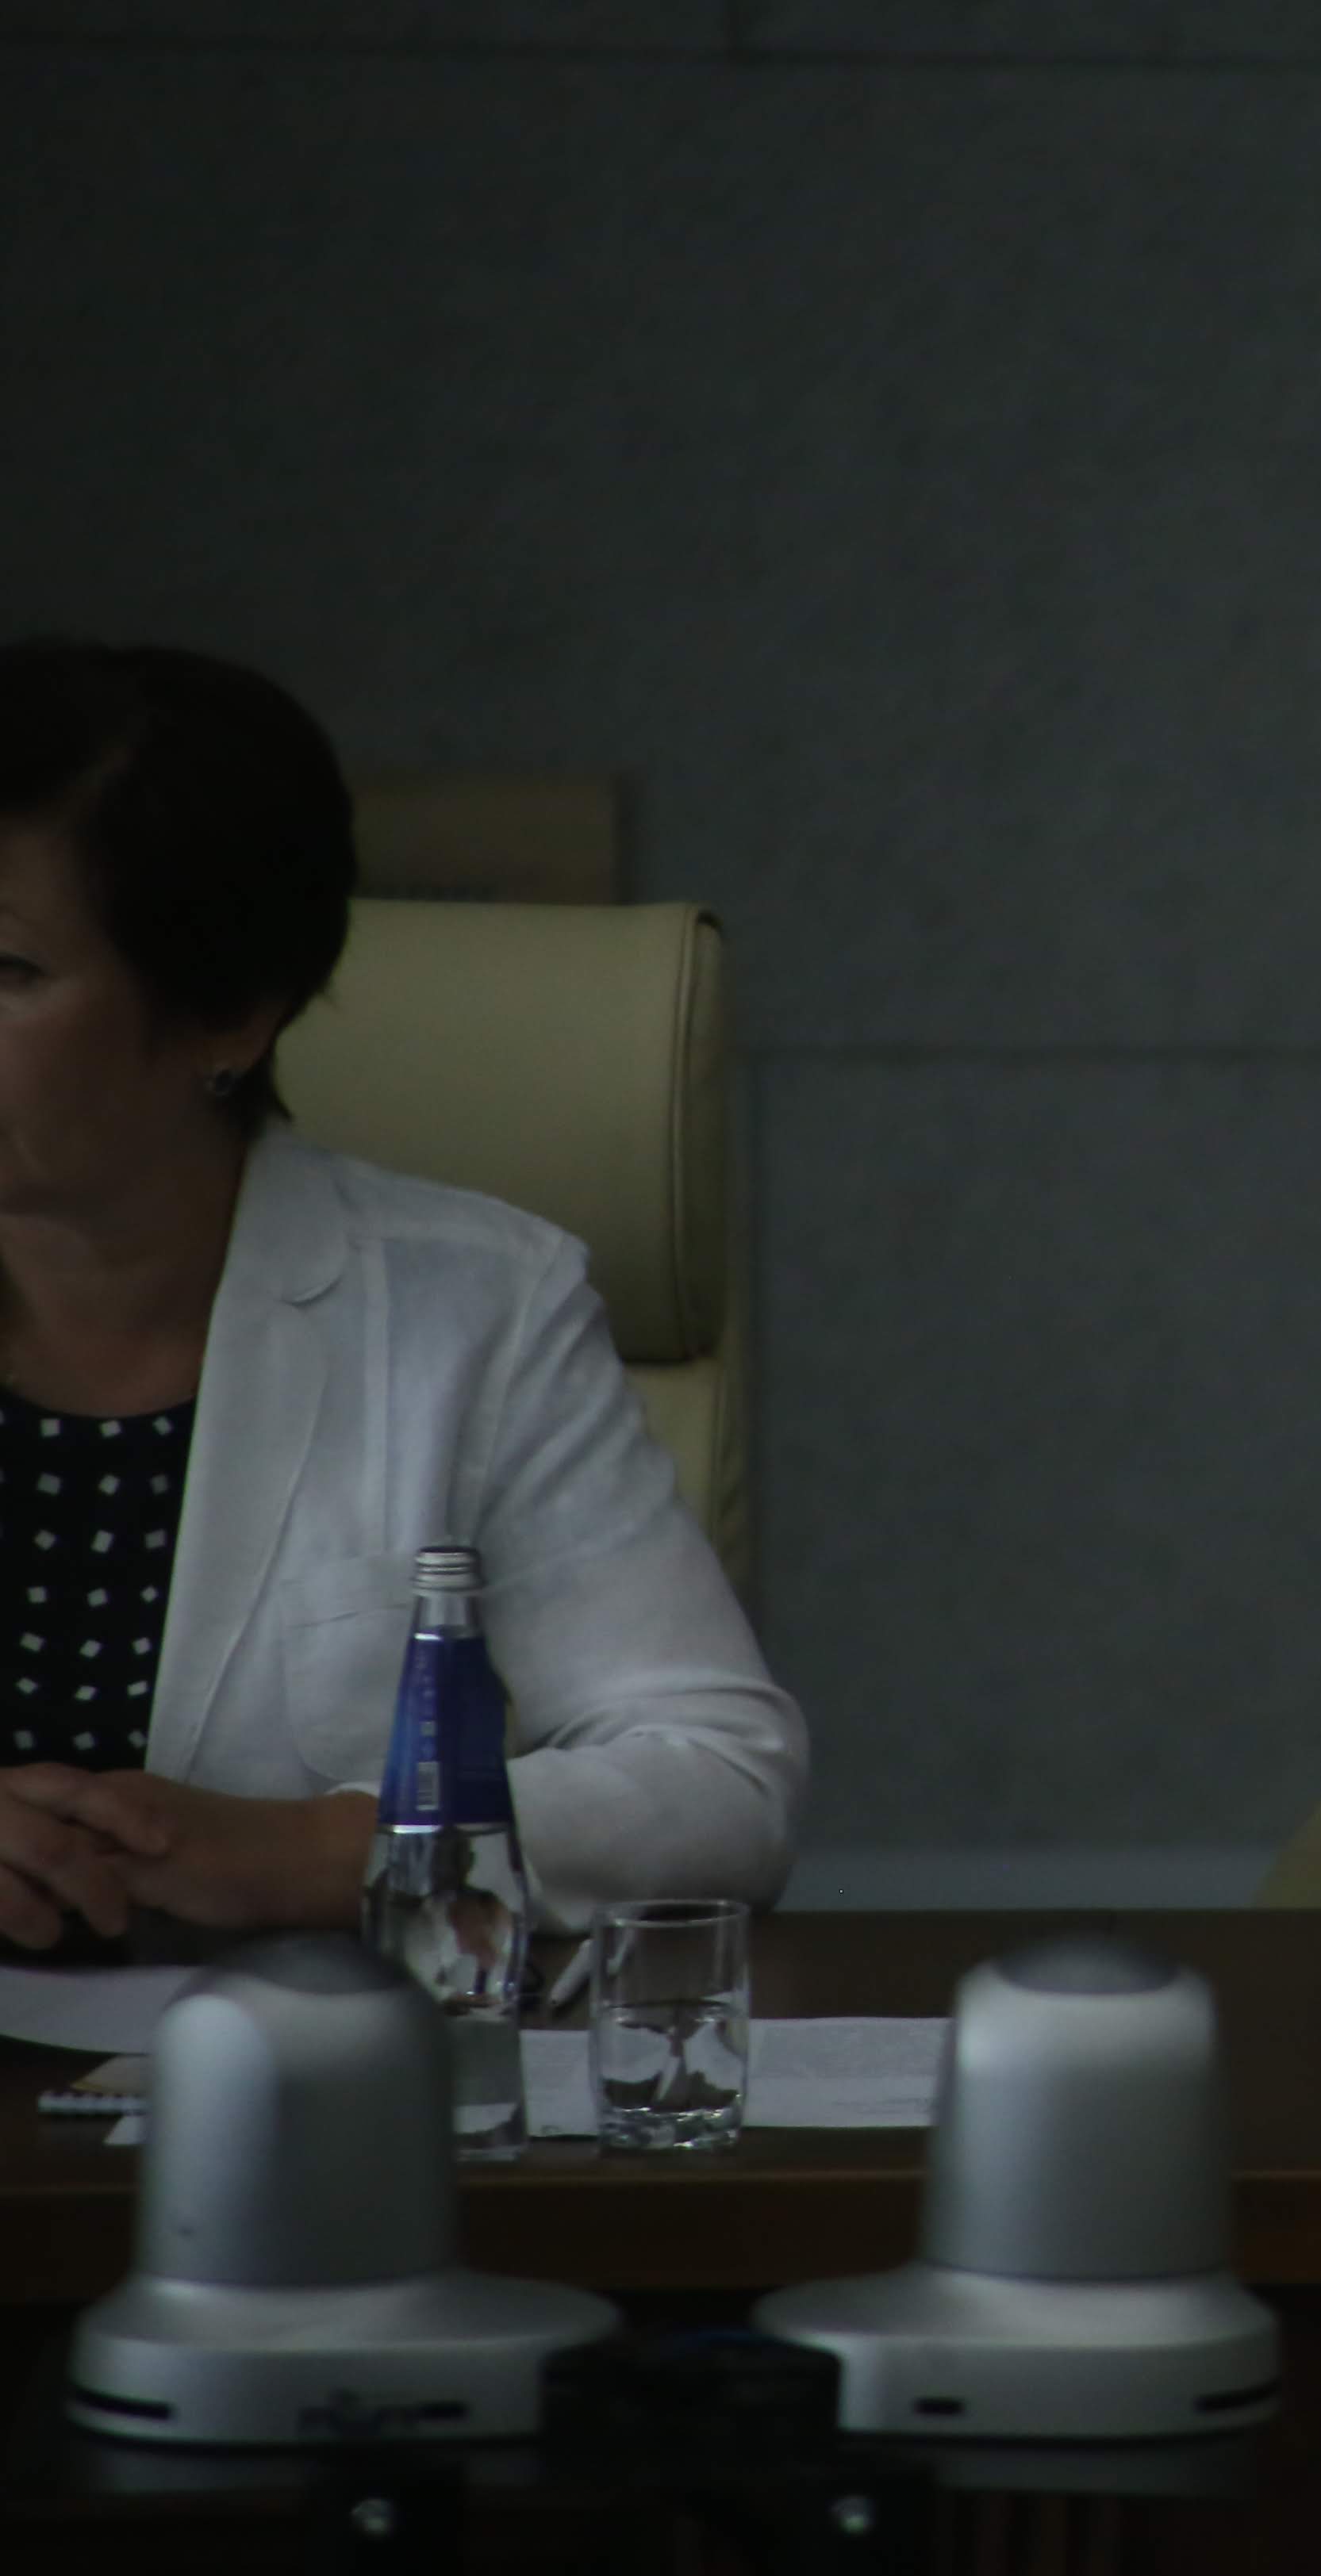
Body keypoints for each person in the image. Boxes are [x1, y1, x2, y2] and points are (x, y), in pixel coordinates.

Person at [0, 638, 804, 1953]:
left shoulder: (475, 1309)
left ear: (229, 1013)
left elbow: (718, 1779)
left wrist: (330, 1849)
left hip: (304, 2058)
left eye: (7, 972)